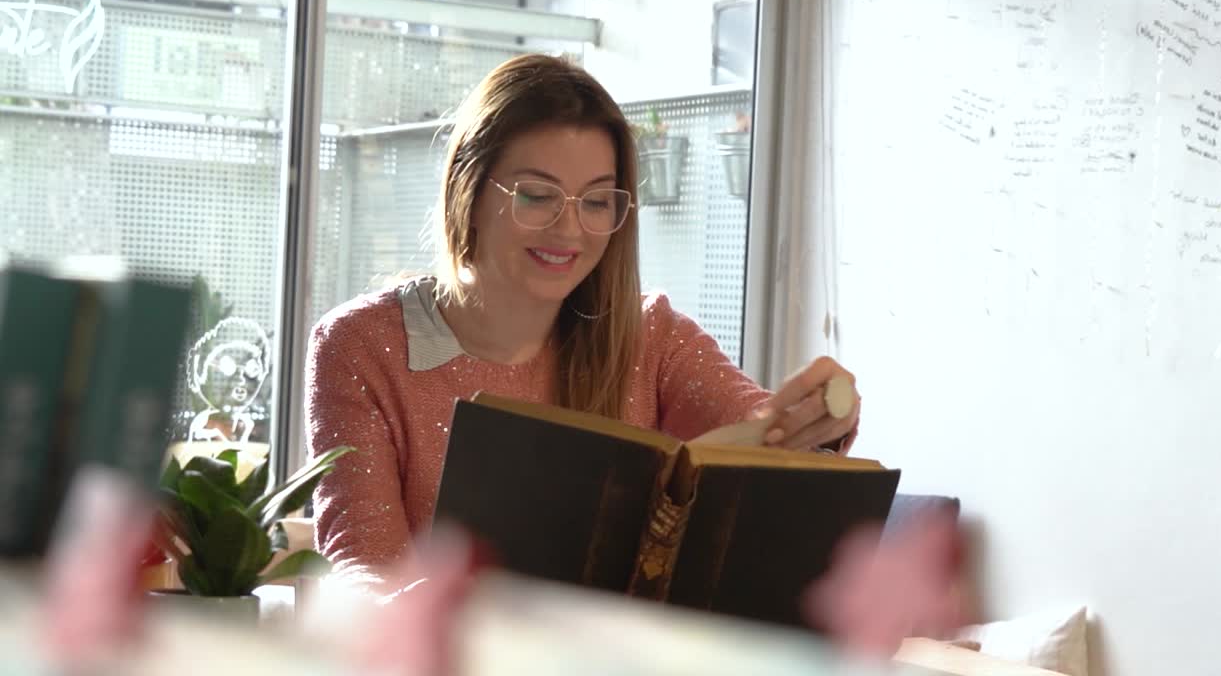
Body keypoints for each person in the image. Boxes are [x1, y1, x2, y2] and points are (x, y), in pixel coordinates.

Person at [304, 53, 862, 592]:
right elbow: (362, 573)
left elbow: (764, 437)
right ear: (467, 192)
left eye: (596, 202)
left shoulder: (652, 336)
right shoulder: (359, 347)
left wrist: (816, 418)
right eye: (537, 195)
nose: (569, 230)